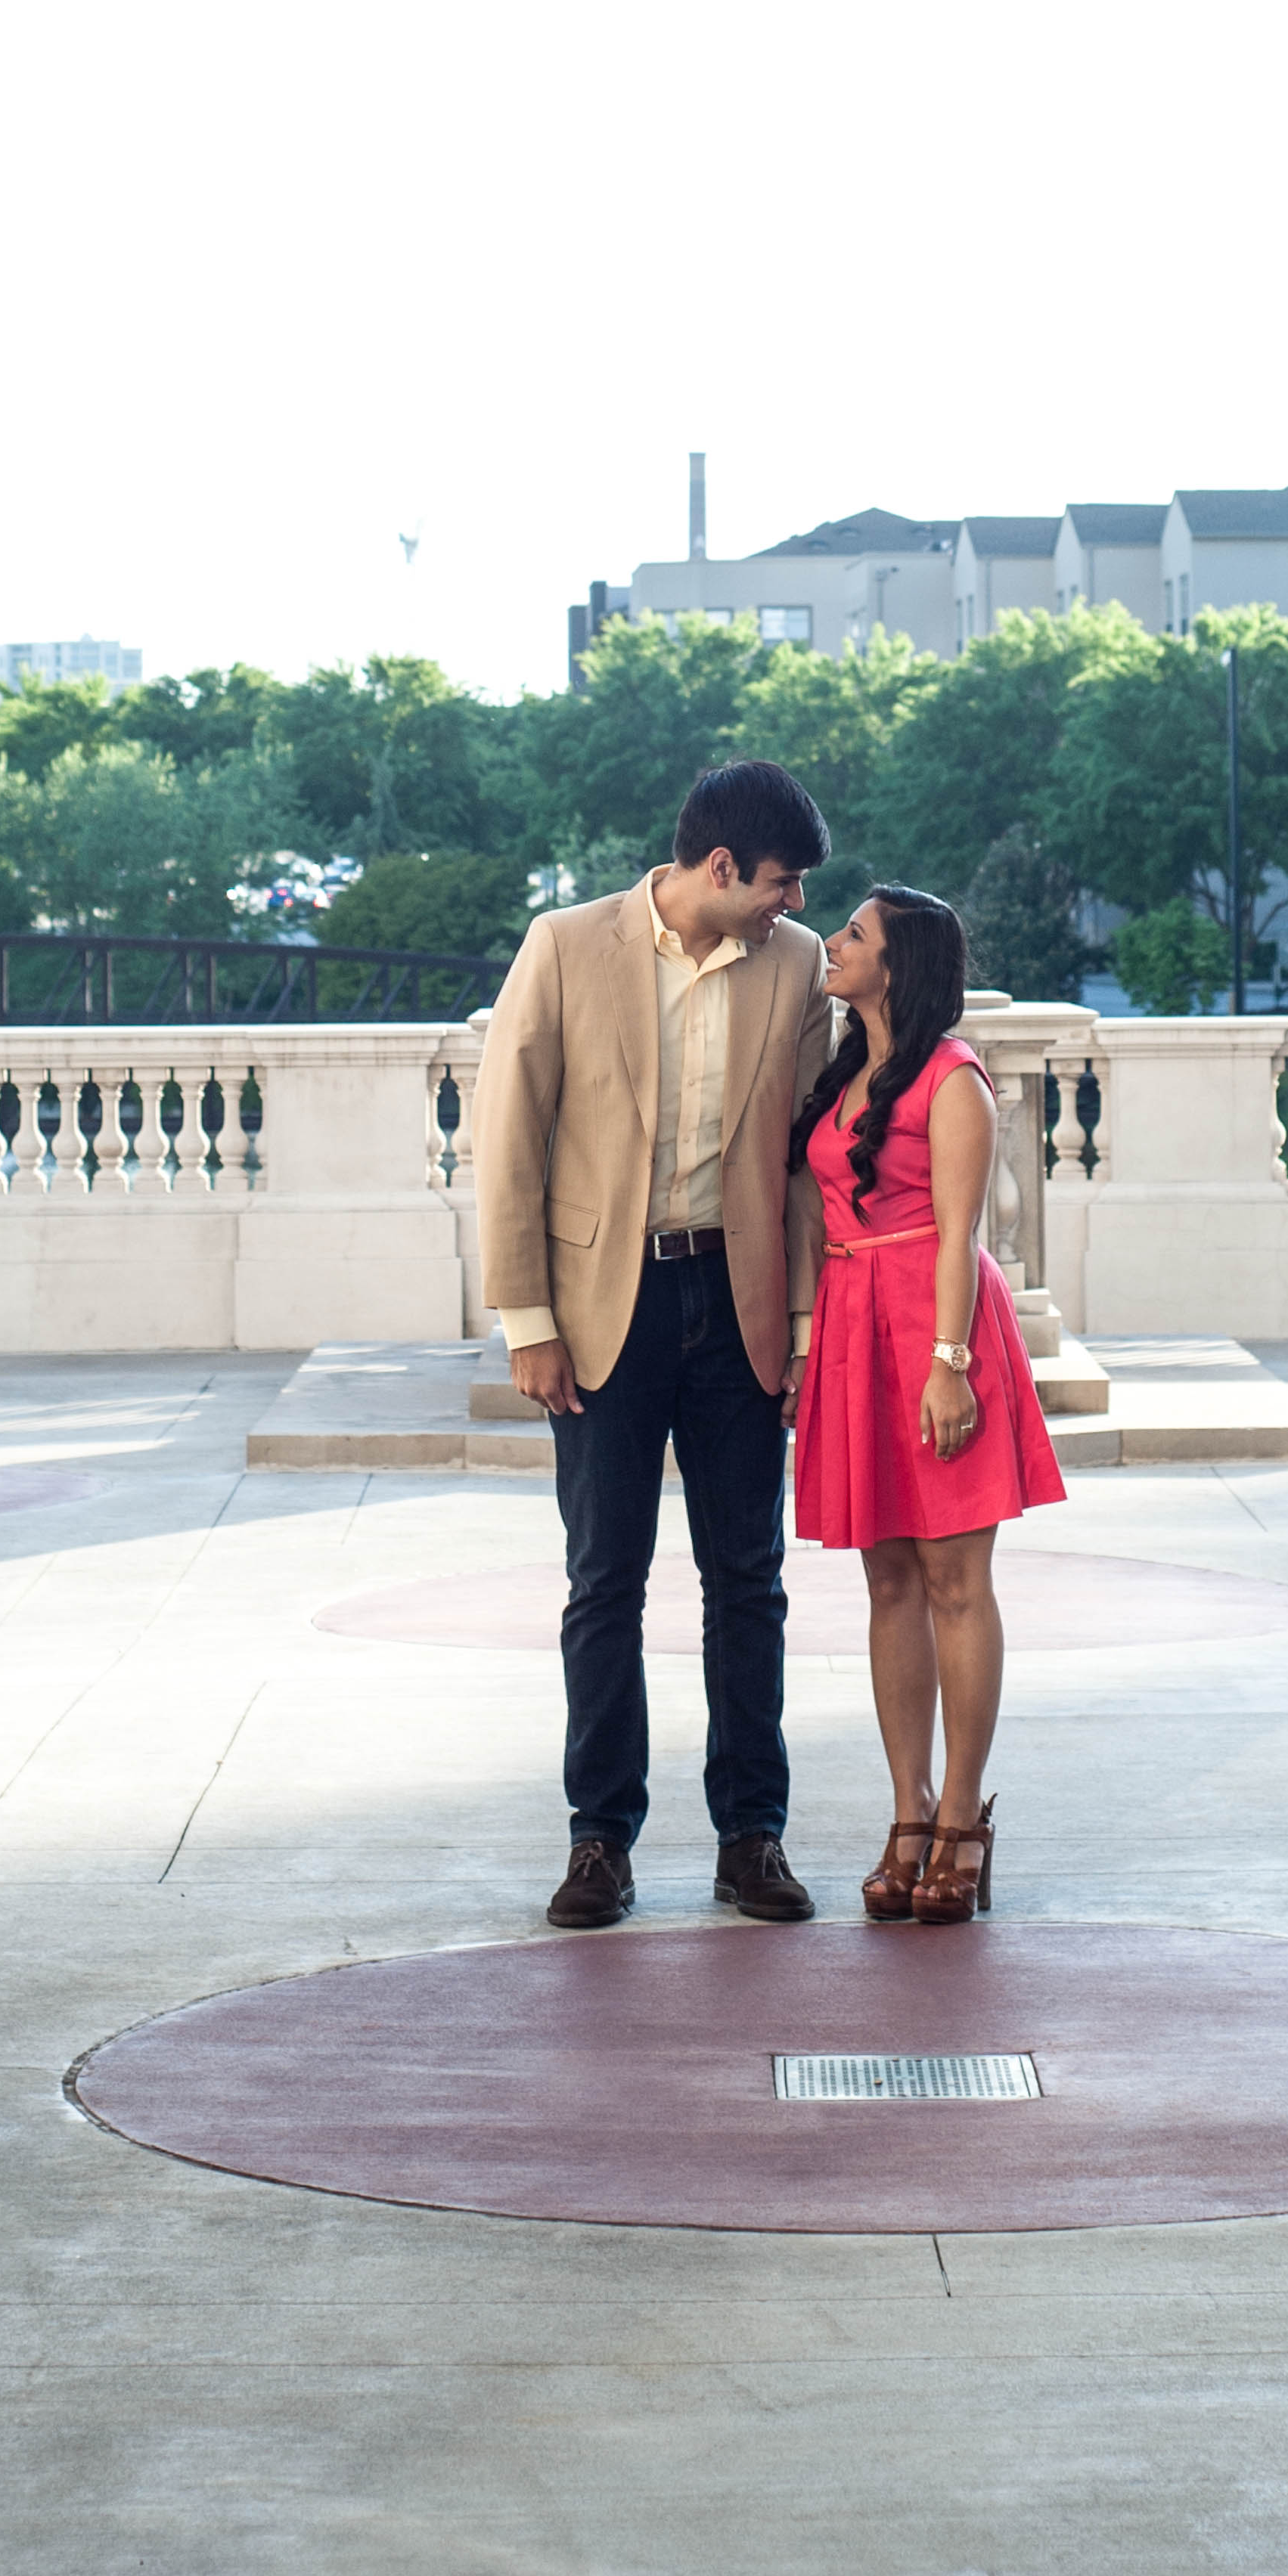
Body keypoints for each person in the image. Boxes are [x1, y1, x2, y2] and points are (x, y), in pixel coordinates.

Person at [476, 759, 836, 1930]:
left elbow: (797, 1163)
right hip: (601, 1308)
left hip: (735, 1314)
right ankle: (600, 1843)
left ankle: (752, 1838)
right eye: (778, 883)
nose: (791, 905)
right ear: (720, 868)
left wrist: (794, 1326)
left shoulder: (798, 967)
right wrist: (527, 1318)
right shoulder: (567, 945)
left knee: (750, 1581)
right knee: (604, 1584)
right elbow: (510, 1134)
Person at [787, 882, 1064, 1923]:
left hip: (934, 1329)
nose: (835, 945)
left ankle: (961, 1817)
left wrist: (949, 1362)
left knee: (956, 1579)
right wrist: (813, 1349)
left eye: (853, 935)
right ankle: (904, 1811)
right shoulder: (847, 1069)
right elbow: (817, 1224)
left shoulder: (955, 1081)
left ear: (898, 964)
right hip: (855, 1328)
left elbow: (964, 1234)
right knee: (888, 1581)